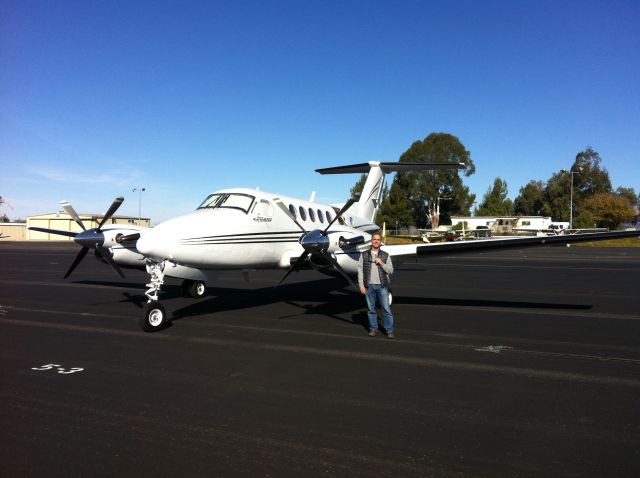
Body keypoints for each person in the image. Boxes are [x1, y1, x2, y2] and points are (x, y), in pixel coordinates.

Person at [357, 232, 395, 338]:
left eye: (378, 239)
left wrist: (382, 263)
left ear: (380, 241)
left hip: (382, 286)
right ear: (371, 241)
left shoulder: (385, 255)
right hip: (368, 287)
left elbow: (390, 270)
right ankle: (373, 329)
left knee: (386, 309)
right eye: (374, 239)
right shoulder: (364, 255)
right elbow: (360, 270)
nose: (376, 241)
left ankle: (389, 330)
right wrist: (361, 285)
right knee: (371, 309)